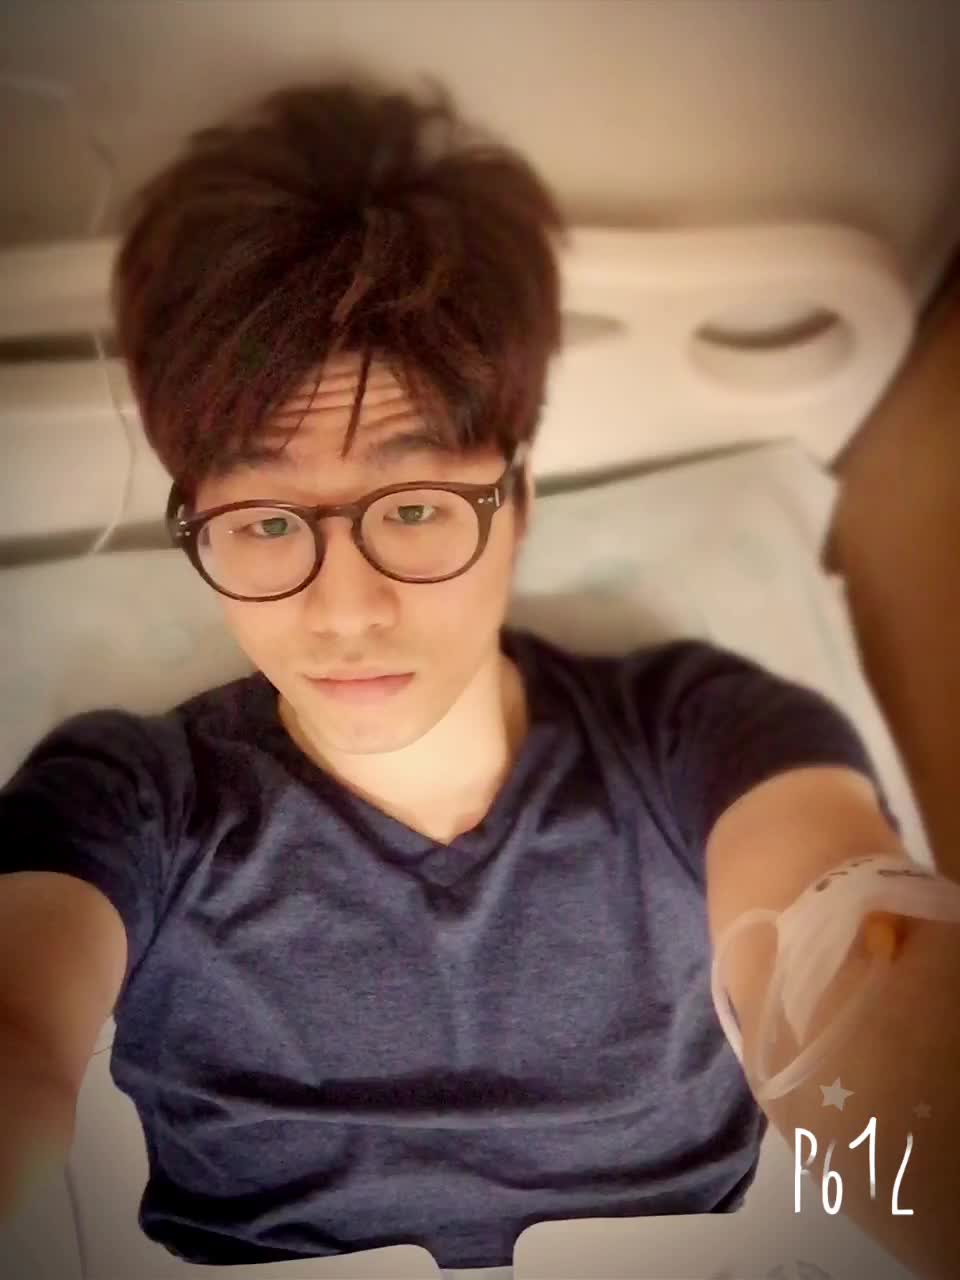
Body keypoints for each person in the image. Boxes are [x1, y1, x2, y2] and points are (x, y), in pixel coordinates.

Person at [0, 77, 903, 1274]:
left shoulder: (703, 736)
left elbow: (856, 986)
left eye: (416, 505)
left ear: (517, 504)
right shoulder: (130, 799)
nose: (345, 611)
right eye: (265, 521)